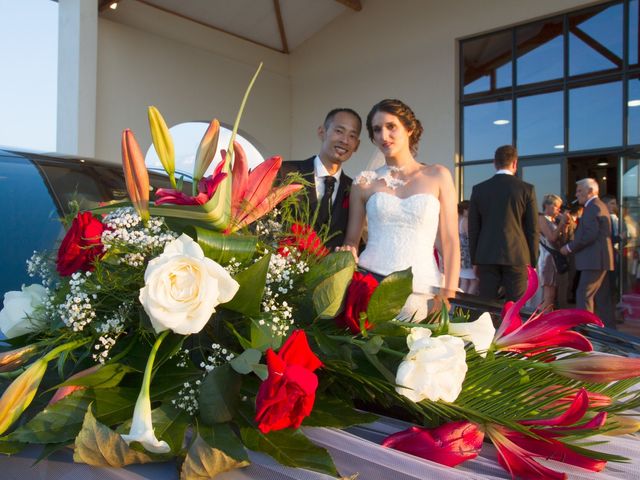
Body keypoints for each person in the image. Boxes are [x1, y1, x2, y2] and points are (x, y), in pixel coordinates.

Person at [338, 99, 460, 321]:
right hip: (370, 283)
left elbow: (450, 241)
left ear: (409, 129)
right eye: (377, 130)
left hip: (425, 290)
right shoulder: (363, 183)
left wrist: (448, 294)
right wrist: (347, 251)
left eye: (391, 126)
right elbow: (351, 241)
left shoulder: (438, 175)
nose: (384, 136)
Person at [280, 108, 361, 249]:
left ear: (357, 146)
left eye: (352, 136)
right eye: (339, 131)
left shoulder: (355, 189)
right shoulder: (285, 172)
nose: (345, 140)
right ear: (322, 132)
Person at [468, 145, 538, 302]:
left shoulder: (479, 189)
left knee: (486, 304)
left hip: (486, 256)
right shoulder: (526, 189)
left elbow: (473, 229)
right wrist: (532, 261)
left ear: (495, 163)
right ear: (515, 163)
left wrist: (475, 259)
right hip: (517, 256)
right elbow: (532, 229)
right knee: (515, 306)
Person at [560, 178, 614, 327]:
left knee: (583, 295)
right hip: (599, 260)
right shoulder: (598, 206)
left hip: (594, 260)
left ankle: (586, 331)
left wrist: (569, 247)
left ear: (590, 191)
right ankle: (610, 333)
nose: (576, 194)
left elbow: (590, 234)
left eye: (579, 191)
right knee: (602, 299)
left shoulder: (593, 207)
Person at [531, 194, 569, 310]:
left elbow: (562, 241)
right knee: (549, 296)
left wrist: (565, 226)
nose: (558, 209)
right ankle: (539, 320)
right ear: (547, 205)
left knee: (552, 296)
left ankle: (545, 319)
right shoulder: (541, 219)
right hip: (546, 259)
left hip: (553, 260)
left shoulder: (553, 221)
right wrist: (561, 223)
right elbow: (551, 238)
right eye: (556, 206)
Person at [458, 200, 479, 295]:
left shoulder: (459, 220)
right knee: (474, 281)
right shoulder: (466, 221)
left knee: (464, 281)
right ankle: (467, 303)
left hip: (462, 253)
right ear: (465, 210)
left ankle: (459, 304)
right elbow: (470, 238)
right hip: (468, 254)